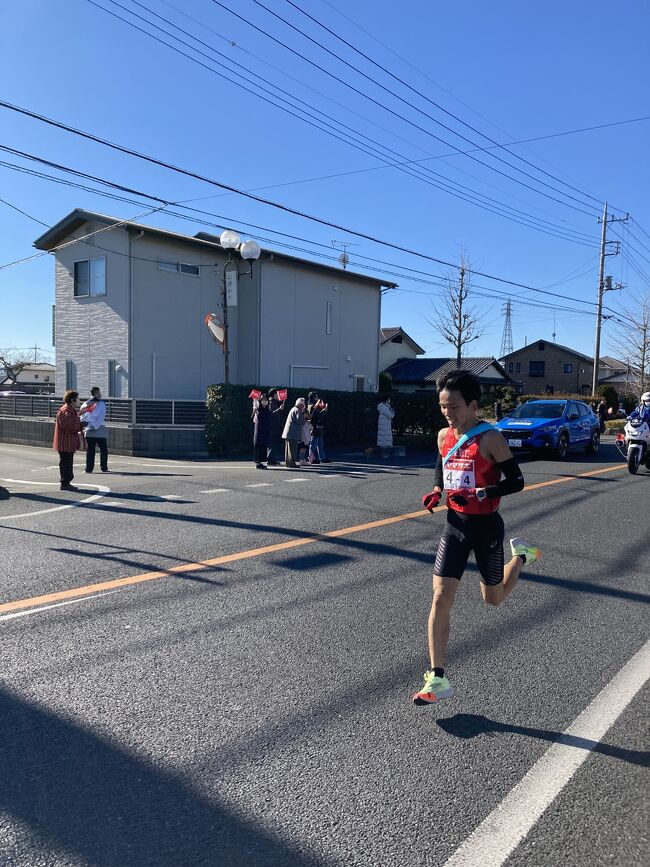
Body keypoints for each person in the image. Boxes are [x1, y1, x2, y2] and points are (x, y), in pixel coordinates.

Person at [412, 369, 541, 705]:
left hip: (486, 527)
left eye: (453, 407)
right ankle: (437, 678)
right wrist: (437, 489)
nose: (447, 413)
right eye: (442, 407)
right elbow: (442, 465)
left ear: (471, 405)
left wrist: (484, 493)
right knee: (440, 596)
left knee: (493, 599)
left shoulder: (490, 438)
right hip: (454, 525)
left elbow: (517, 481)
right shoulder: (443, 436)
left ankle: (522, 556)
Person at [53, 389, 82, 491]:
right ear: (72, 399)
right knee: (66, 463)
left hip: (67, 442)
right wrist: (81, 423)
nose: (78, 400)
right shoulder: (66, 410)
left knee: (67, 462)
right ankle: (65, 483)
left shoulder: (70, 410)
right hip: (65, 442)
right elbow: (69, 426)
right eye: (77, 399)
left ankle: (66, 482)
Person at [80, 386, 109, 473]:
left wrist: (87, 425)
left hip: (89, 428)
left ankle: (89, 469)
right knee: (103, 450)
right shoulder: (101, 404)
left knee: (90, 450)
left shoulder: (86, 403)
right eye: (99, 392)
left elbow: (82, 415)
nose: (100, 394)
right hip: (98, 428)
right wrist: (93, 426)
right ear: (96, 393)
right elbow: (101, 417)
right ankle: (104, 467)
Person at [306, 390, 330, 464]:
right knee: (313, 444)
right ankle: (311, 458)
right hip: (314, 426)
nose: (318, 397)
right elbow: (318, 416)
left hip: (316, 426)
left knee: (320, 443)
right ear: (314, 397)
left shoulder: (311, 405)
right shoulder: (313, 406)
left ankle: (322, 457)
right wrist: (324, 410)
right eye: (316, 396)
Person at [282, 398, 306, 468]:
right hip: (293, 433)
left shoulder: (293, 409)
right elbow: (300, 420)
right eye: (303, 405)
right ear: (300, 404)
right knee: (292, 450)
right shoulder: (297, 410)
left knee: (288, 450)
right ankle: (292, 463)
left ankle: (288, 463)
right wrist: (304, 417)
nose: (303, 406)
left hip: (288, 433)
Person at [252, 392, 272, 469]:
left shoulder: (267, 409)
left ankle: (262, 462)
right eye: (263, 400)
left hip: (266, 430)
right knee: (259, 445)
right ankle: (258, 463)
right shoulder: (258, 409)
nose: (265, 401)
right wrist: (255, 411)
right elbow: (253, 417)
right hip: (259, 430)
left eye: (266, 400)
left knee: (264, 446)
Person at [266, 388, 286, 466]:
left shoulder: (274, 402)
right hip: (273, 426)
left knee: (274, 443)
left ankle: (272, 459)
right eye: (276, 394)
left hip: (275, 426)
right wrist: (279, 409)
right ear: (273, 394)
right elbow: (270, 414)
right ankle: (270, 459)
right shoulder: (271, 402)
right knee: (272, 443)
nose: (278, 395)